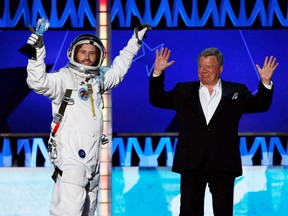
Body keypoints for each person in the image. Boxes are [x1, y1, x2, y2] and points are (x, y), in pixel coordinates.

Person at [25, 23, 151, 215]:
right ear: (73, 53)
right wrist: (37, 51)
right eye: (82, 51)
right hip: (71, 161)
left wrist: (135, 41)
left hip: (92, 164)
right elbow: (37, 82)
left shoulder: (97, 81)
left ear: (99, 57)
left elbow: (119, 69)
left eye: (92, 53)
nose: (87, 56)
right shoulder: (63, 78)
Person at [149, 47, 279, 216]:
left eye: (209, 66)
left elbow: (260, 105)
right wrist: (157, 72)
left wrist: (265, 84)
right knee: (188, 211)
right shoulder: (183, 91)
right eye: (201, 66)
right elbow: (157, 99)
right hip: (191, 162)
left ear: (220, 68)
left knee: (223, 212)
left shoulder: (236, 92)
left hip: (223, 163)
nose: (204, 70)